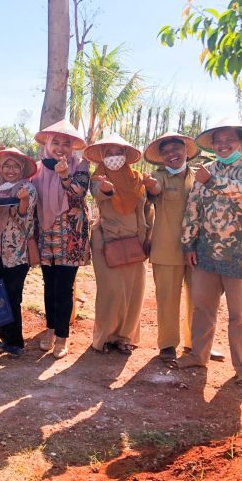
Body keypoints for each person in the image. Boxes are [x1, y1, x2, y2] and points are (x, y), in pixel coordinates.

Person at [176, 119, 242, 388]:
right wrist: (188, 244)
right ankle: (198, 355)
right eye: (218, 141)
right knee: (203, 308)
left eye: (230, 140)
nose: (223, 145)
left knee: (241, 314)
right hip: (207, 252)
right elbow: (193, 209)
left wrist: (212, 181)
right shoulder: (206, 171)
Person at [143, 132, 225, 366]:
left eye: (176, 149)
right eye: (166, 152)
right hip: (166, 249)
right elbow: (155, 190)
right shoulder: (158, 177)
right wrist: (150, 185)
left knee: (199, 300)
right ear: (161, 157)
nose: (171, 155)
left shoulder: (200, 175)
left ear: (186, 151)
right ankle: (167, 345)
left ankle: (197, 344)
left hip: (198, 249)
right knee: (167, 299)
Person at [85, 134, 156, 354]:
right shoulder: (97, 178)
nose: (114, 157)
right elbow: (98, 194)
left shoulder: (138, 179)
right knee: (111, 291)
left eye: (118, 152)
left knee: (134, 292)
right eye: (109, 153)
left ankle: (125, 337)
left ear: (125, 155)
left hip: (136, 242)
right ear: (102, 156)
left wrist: (148, 238)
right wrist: (107, 189)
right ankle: (104, 338)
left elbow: (147, 209)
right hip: (107, 241)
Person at [31, 120, 89, 359]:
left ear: (72, 147)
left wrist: (64, 176)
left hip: (70, 237)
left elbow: (78, 195)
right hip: (45, 235)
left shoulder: (80, 166)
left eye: (66, 143)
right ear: (47, 144)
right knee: (49, 285)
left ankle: (63, 337)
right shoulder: (37, 169)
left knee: (64, 287)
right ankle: (50, 330)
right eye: (55, 142)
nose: (61, 148)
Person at [0, 147, 38, 358]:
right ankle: (4, 337)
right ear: (0, 168)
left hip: (17, 253)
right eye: (6, 165)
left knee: (13, 296)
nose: (11, 170)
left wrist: (23, 200)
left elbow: (24, 216)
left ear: (22, 169)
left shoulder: (28, 188)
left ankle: (15, 341)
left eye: (15, 166)